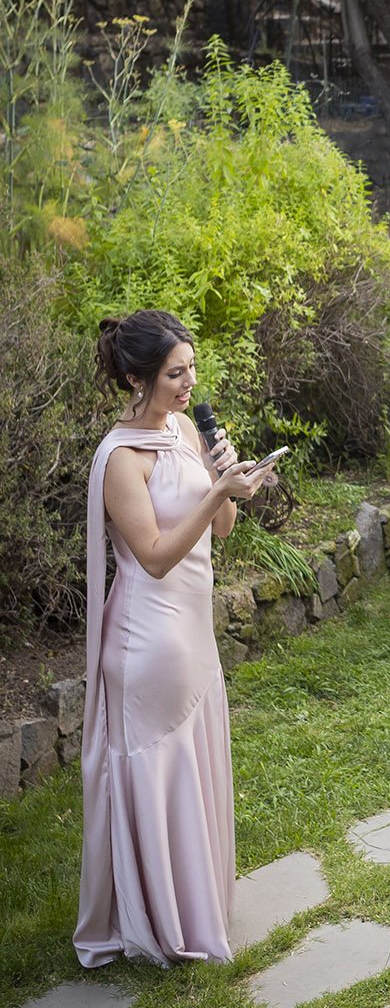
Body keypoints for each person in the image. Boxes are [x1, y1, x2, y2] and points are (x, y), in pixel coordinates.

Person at [77, 310, 272, 967]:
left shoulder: (186, 430)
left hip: (192, 631)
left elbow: (222, 532)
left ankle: (196, 908)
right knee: (159, 772)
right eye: (173, 374)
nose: (188, 384)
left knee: (192, 767)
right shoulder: (120, 458)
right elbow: (155, 556)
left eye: (190, 370)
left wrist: (229, 484)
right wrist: (215, 487)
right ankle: (157, 922)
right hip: (146, 639)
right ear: (136, 377)